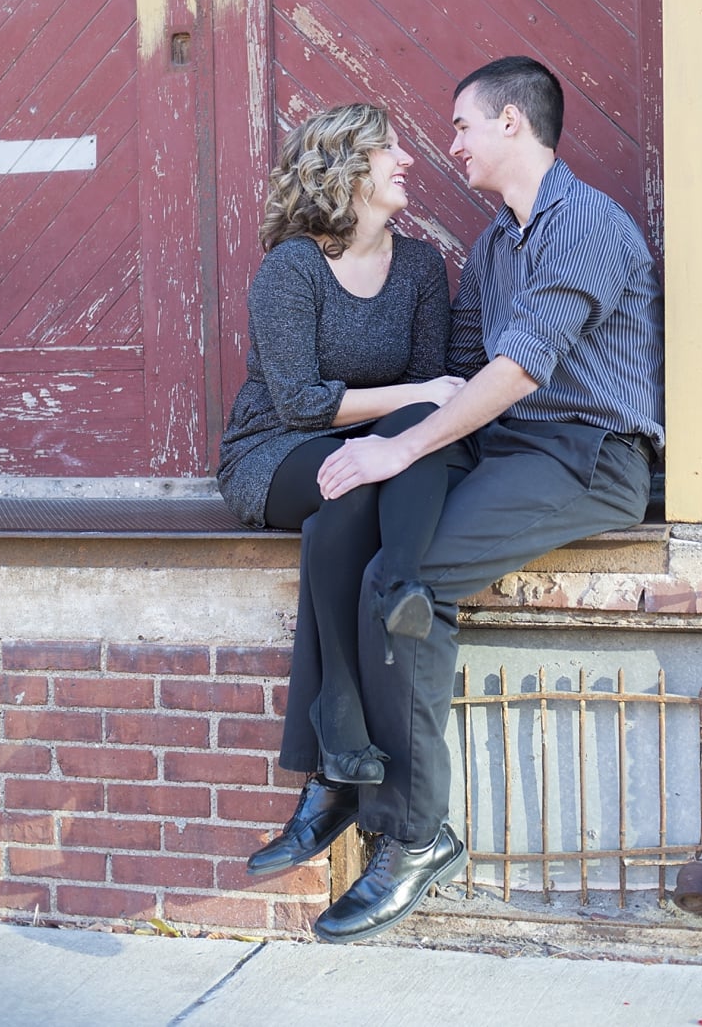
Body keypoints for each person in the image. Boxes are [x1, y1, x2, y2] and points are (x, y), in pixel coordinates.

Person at [297, 55, 665, 944]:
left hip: (590, 455)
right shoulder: (500, 240)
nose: (449, 142)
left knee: (407, 582)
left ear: (511, 124)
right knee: (346, 529)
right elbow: (460, 371)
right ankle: (335, 763)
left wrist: (403, 446)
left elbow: (518, 368)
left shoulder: (587, 226)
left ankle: (415, 837)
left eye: (462, 125)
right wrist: (384, 445)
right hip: (506, 447)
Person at [216, 103, 465, 869]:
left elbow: (428, 385)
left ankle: (333, 755)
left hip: (366, 452)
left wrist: (414, 407)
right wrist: (414, 401)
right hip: (275, 448)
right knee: (345, 490)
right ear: (346, 170)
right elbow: (301, 401)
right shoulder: (291, 268)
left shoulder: (421, 267)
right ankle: (338, 742)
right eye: (389, 149)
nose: (407, 160)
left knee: (345, 509)